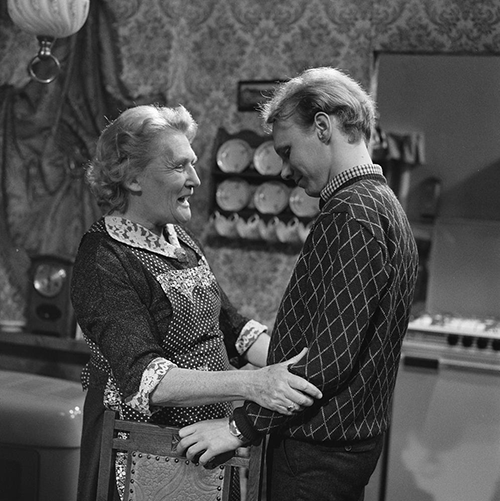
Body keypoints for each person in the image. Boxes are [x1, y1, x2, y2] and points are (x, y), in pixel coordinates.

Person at [178, 67, 419, 501]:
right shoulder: (382, 205)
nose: (287, 172)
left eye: (287, 151)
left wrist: (240, 427)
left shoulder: (352, 212)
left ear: (323, 127)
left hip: (316, 450)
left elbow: (331, 356)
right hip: (343, 444)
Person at [70, 104, 323, 501]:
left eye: (192, 164)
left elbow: (232, 328)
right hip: (142, 449)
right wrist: (256, 384)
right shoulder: (104, 257)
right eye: (179, 167)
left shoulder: (180, 240)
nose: (195, 179)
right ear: (132, 178)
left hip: (206, 437)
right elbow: (148, 379)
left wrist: (302, 367)